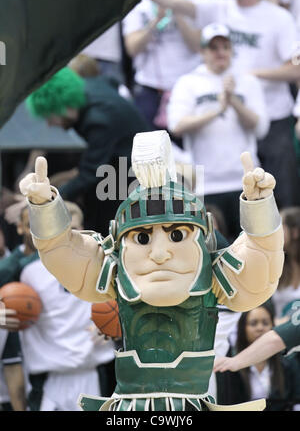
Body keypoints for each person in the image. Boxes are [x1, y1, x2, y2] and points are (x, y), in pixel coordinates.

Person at [19, 128, 284, 412]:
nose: (159, 254)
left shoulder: (212, 276)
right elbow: (63, 252)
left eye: (177, 235)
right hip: (129, 409)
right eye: (143, 237)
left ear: (203, 238)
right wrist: (44, 207)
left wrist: (259, 206)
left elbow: (260, 266)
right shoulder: (116, 271)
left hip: (191, 405)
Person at [140, 0, 300, 210]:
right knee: (248, 201)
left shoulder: (277, 17)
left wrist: (251, 76)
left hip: (274, 118)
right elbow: (175, 2)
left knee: (283, 201)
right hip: (233, 120)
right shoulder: (220, 9)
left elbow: (296, 67)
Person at [0, 203, 116, 411]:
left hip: (93, 372)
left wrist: (119, 325)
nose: (70, 235)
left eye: (75, 229)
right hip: (48, 380)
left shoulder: (105, 263)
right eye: (64, 229)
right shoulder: (24, 267)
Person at [168, 22, 268, 240]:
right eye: (214, 47)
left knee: (254, 246)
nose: (220, 53)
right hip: (206, 184)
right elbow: (175, 125)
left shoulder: (248, 81)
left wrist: (233, 102)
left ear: (232, 50)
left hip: (246, 182)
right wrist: (217, 110)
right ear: (203, 51)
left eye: (225, 46)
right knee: (213, 249)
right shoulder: (188, 83)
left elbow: (261, 128)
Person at [25, 66, 148, 234]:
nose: (49, 124)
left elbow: (89, 174)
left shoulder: (98, 120)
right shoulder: (92, 85)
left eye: (49, 116)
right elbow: (111, 81)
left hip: (132, 175)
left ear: (63, 108)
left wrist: (50, 198)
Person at [123, 0, 202, 131]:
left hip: (185, 85)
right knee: (147, 152)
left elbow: (197, 45)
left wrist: (176, 9)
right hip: (149, 87)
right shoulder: (139, 2)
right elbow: (132, 48)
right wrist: (155, 22)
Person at [215, 303, 297, 411]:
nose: (260, 328)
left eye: (265, 323)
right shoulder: (229, 367)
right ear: (242, 328)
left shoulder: (288, 364)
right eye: (253, 323)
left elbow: (294, 402)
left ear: (273, 326)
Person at [271, 207, 300, 320]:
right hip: (279, 332)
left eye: (279, 227)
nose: (275, 233)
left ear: (295, 232)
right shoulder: (276, 265)